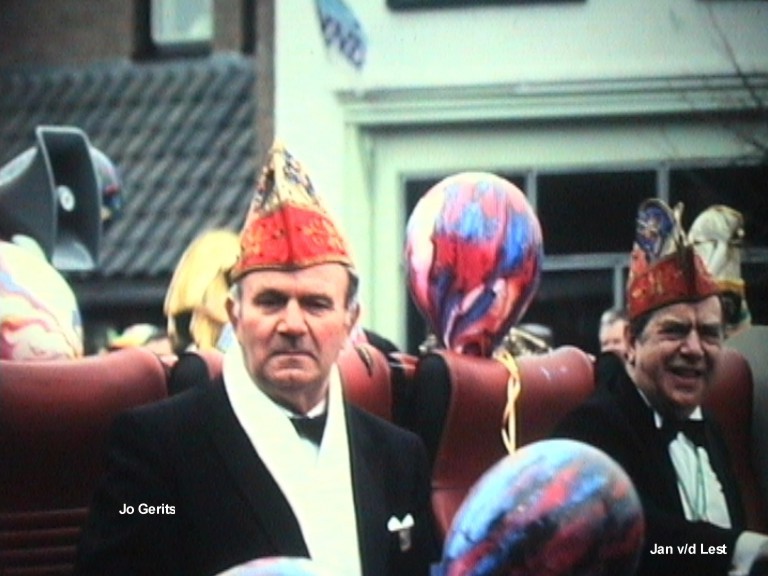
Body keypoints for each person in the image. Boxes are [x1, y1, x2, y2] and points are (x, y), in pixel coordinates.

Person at [74, 141, 439, 576]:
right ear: (235, 315)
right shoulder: (157, 452)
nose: (292, 324)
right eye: (270, 301)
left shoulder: (399, 458)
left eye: (316, 304)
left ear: (350, 320)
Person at [553, 198, 768, 576]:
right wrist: (734, 548)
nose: (695, 349)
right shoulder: (590, 431)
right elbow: (645, 541)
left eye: (709, 334)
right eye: (675, 330)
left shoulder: (712, 428)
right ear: (631, 343)